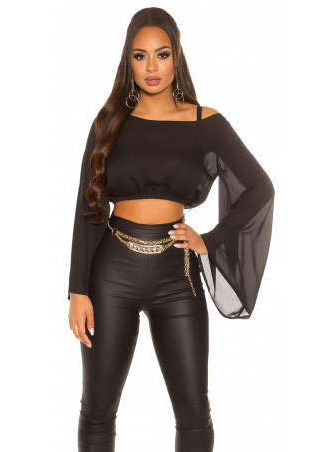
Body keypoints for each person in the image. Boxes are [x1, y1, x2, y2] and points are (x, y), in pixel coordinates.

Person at [67, 7, 275, 452]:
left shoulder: (206, 123)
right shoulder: (108, 123)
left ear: (176, 56)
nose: (152, 66)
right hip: (111, 273)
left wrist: (211, 240)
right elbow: (89, 208)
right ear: (128, 60)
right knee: (97, 411)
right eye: (140, 56)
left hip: (177, 275)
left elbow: (260, 188)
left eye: (161, 54)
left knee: (194, 415)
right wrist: (77, 291)